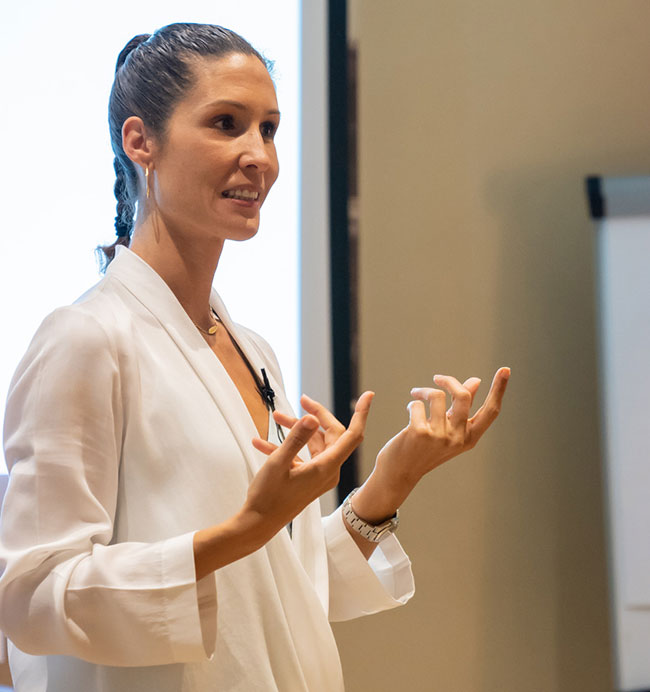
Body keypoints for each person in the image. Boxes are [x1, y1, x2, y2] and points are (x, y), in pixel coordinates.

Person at [0, 23, 510, 692]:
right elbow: (31, 594)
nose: (259, 156)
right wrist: (245, 529)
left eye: (268, 129)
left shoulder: (253, 349)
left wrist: (392, 482)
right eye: (226, 124)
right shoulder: (85, 339)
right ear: (140, 141)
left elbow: (272, 596)